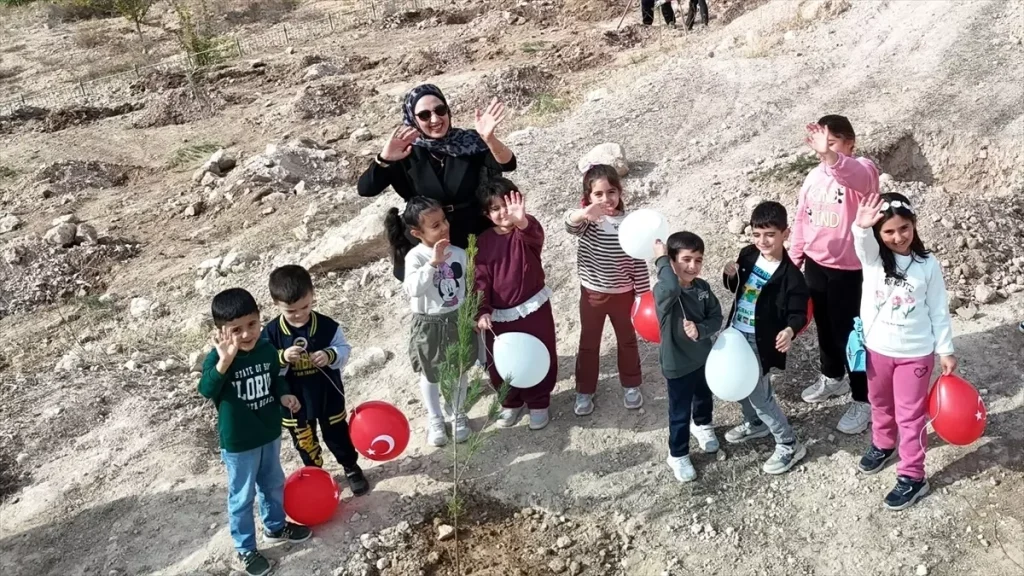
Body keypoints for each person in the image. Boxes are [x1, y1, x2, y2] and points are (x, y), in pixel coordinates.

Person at [852, 193, 956, 510]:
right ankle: (883, 443)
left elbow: (939, 310)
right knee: (880, 403)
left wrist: (946, 350)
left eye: (904, 228)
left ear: (914, 226)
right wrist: (861, 226)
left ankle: (913, 476)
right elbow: (863, 243)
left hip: (916, 354)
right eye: (889, 231)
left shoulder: (927, 264)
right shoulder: (872, 260)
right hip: (877, 351)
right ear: (879, 234)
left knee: (910, 415)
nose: (898, 237)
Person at [198, 288, 310, 576]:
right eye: (236, 330)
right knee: (242, 496)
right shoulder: (218, 359)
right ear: (220, 332)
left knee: (273, 484)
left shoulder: (265, 349)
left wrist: (284, 396)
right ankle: (245, 549)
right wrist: (224, 362)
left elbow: (276, 379)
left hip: (269, 433)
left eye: (252, 324)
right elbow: (206, 390)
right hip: (239, 443)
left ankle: (275, 527)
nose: (246, 334)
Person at [357, 84, 517, 280]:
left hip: (471, 230)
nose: (435, 119)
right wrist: (384, 159)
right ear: (413, 119)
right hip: (428, 237)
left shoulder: (468, 142)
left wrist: (490, 139)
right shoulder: (404, 151)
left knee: (480, 292)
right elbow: (366, 189)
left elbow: (508, 164)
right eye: (424, 115)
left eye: (440, 110)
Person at [789, 115, 880, 436]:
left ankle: (863, 398)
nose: (823, 149)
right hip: (816, 266)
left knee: (852, 336)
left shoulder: (864, 169)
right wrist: (792, 263)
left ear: (849, 144)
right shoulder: (813, 177)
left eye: (832, 142)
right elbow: (802, 221)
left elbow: (859, 179)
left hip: (850, 273)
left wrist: (831, 157)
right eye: (820, 142)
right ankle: (833, 377)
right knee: (825, 329)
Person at [263, 265, 369, 496]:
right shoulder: (271, 334)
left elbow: (343, 350)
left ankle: (350, 467)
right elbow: (266, 365)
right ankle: (316, 474)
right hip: (294, 400)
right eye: (291, 311)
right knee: (304, 440)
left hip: (326, 395)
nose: (299, 314)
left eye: (305, 306)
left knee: (337, 433)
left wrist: (330, 354)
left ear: (313, 295)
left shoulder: (327, 326)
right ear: (276, 304)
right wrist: (282, 357)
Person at [723, 201, 809, 475]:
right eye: (757, 234)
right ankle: (755, 424)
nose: (763, 241)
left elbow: (798, 313)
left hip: (760, 343)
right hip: (737, 333)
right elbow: (736, 289)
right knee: (738, 384)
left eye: (770, 234)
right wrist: (729, 277)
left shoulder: (791, 277)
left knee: (761, 396)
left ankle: (788, 443)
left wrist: (789, 330)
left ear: (785, 233)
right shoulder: (748, 255)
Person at [385, 196, 476, 447]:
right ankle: (435, 417)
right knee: (431, 373)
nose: (444, 227)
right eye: (435, 225)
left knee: (459, 369)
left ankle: (457, 412)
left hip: (457, 318)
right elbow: (413, 289)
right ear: (417, 232)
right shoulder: (416, 258)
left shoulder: (458, 253)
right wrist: (433, 264)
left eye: (444, 221)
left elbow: (466, 285)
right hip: (430, 324)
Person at [565, 164, 651, 416]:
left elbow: (638, 260)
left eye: (611, 192)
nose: (606, 199)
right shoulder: (588, 221)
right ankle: (584, 390)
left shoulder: (630, 222)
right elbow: (569, 224)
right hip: (592, 295)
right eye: (598, 194)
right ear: (588, 197)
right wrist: (583, 213)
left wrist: (642, 297)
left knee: (627, 341)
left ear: (620, 192)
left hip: (624, 295)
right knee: (589, 343)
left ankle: (632, 385)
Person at [475, 178, 557, 430]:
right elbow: (480, 279)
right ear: (486, 214)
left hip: (533, 308)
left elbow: (535, 235)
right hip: (499, 316)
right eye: (495, 208)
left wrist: (522, 220)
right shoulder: (483, 242)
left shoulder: (526, 231)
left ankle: (539, 401)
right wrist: (482, 310)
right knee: (501, 359)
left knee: (539, 353)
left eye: (506, 205)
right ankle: (510, 401)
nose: (503, 212)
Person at [653, 232, 723, 482]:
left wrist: (702, 330)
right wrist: (660, 259)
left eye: (698, 260)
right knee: (679, 411)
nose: (692, 266)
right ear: (673, 262)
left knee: (704, 397)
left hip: (703, 358)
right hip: (677, 364)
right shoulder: (665, 293)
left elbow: (716, 316)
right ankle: (678, 454)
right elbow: (671, 285)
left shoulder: (702, 288)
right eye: (685, 260)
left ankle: (703, 425)